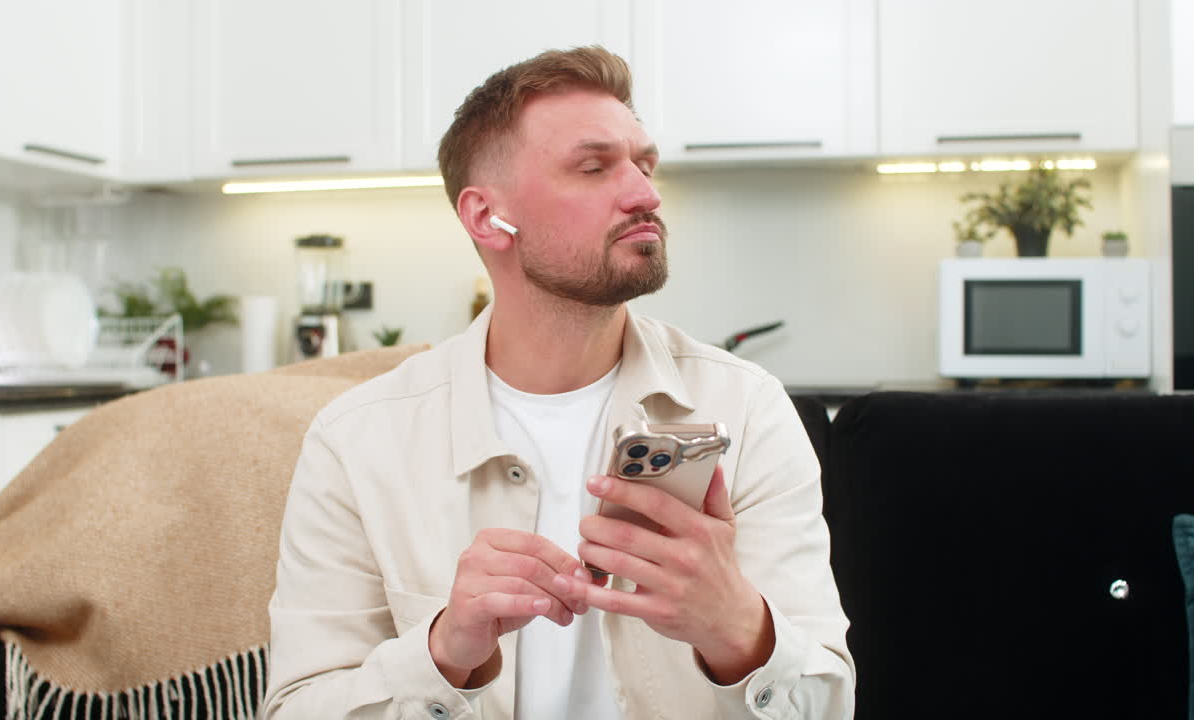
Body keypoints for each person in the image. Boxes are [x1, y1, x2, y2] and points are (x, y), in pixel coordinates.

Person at [261, 46, 854, 719]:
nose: (645, 194)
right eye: (594, 167)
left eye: (644, 165)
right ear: (487, 218)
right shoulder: (356, 441)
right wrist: (443, 653)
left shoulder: (747, 409)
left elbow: (828, 705)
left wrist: (738, 629)